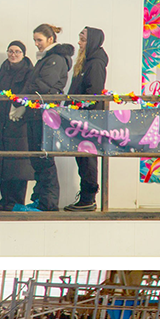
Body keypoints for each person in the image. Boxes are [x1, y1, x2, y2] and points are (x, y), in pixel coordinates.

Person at [17, 23, 74, 212]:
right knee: (38, 157)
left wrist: (24, 95)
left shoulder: (55, 59)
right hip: (38, 112)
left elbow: (42, 85)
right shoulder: (47, 59)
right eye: (35, 40)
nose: (36, 44)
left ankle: (48, 202)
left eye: (39, 40)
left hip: (45, 113)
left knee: (44, 157)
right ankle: (40, 198)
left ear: (50, 39)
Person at [0, 41, 35, 210]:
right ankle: (5, 199)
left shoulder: (29, 73)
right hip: (0, 125)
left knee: (18, 165)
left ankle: (16, 201)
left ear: (24, 54)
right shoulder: (2, 71)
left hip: (18, 126)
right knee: (2, 165)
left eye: (17, 51)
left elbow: (30, 97)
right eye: (11, 51)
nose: (13, 54)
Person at [64, 26, 107, 211]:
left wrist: (78, 108)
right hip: (79, 117)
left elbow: (93, 93)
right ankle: (85, 196)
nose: (79, 43)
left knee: (87, 158)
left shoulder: (95, 63)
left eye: (82, 39)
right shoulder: (86, 61)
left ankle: (89, 198)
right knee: (82, 158)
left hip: (88, 119)